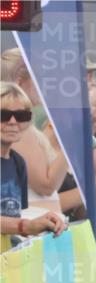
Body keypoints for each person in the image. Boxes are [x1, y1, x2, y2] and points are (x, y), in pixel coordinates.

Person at [0, 82, 66, 251]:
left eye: (21, 116)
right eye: (3, 115)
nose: (13, 122)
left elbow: (11, 217)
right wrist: (26, 226)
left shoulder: (19, 163)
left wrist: (42, 221)